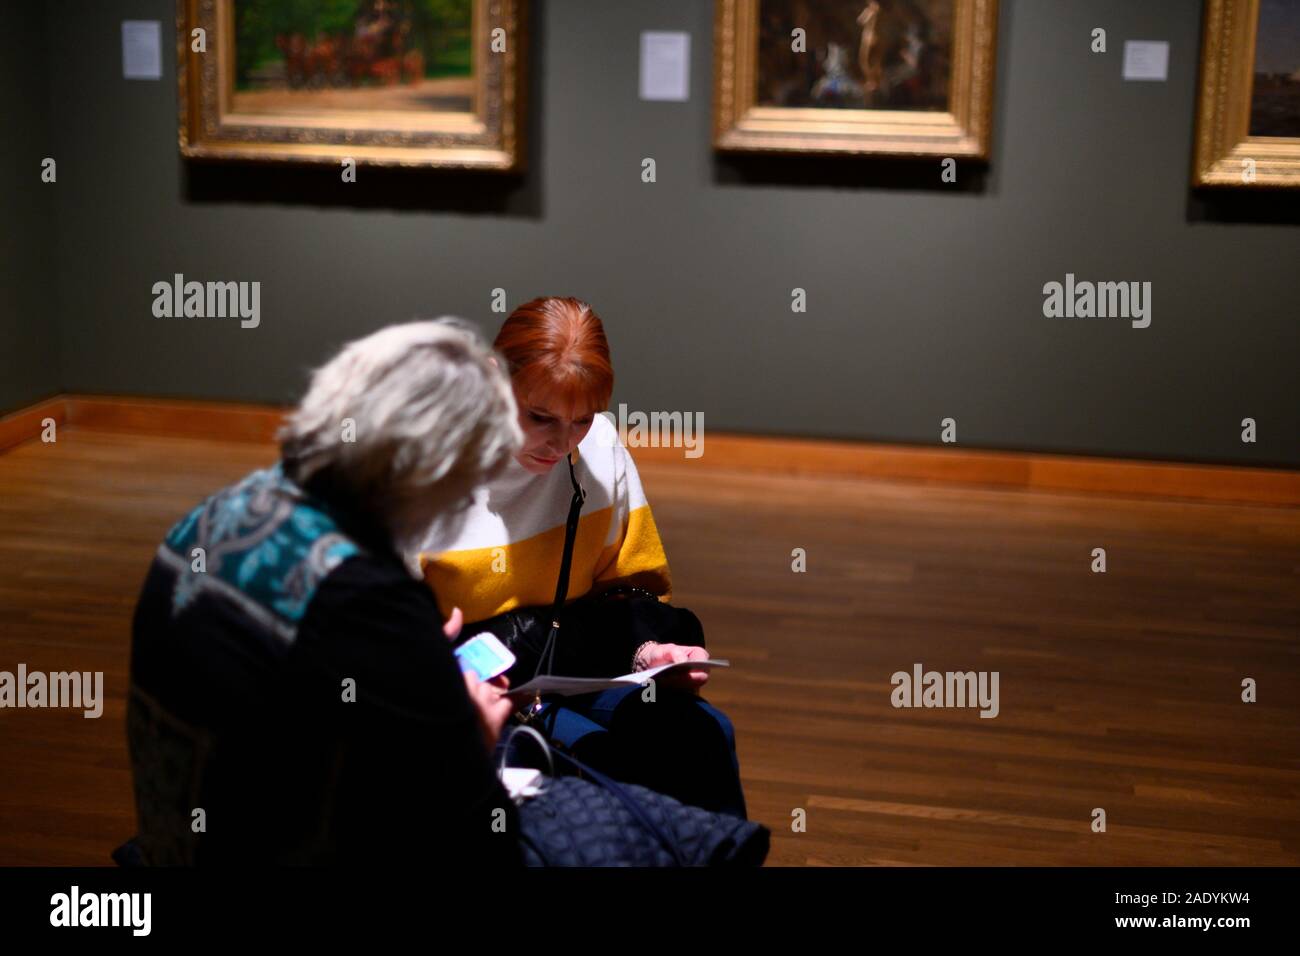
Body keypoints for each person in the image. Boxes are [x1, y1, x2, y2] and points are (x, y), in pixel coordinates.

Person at [124, 319, 527, 865]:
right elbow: (476, 835)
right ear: (433, 473)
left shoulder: (210, 516)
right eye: (464, 490)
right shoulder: (365, 598)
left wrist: (408, 663)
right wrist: (471, 731)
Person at [416, 297, 748, 819]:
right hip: (456, 696)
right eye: (540, 417)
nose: (560, 444)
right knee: (574, 777)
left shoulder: (598, 451)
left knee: (700, 735)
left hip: (567, 671)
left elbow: (629, 587)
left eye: (582, 420)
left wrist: (649, 650)